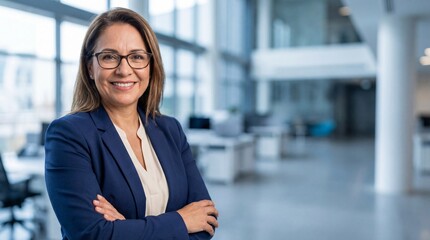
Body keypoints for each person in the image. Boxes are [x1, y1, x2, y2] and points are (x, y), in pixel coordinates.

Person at [45, 7, 218, 240]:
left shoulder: (170, 130)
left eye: (137, 56)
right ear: (90, 67)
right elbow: (92, 235)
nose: (124, 70)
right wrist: (181, 220)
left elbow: (205, 221)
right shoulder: (69, 134)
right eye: (109, 56)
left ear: (150, 65)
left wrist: (127, 228)